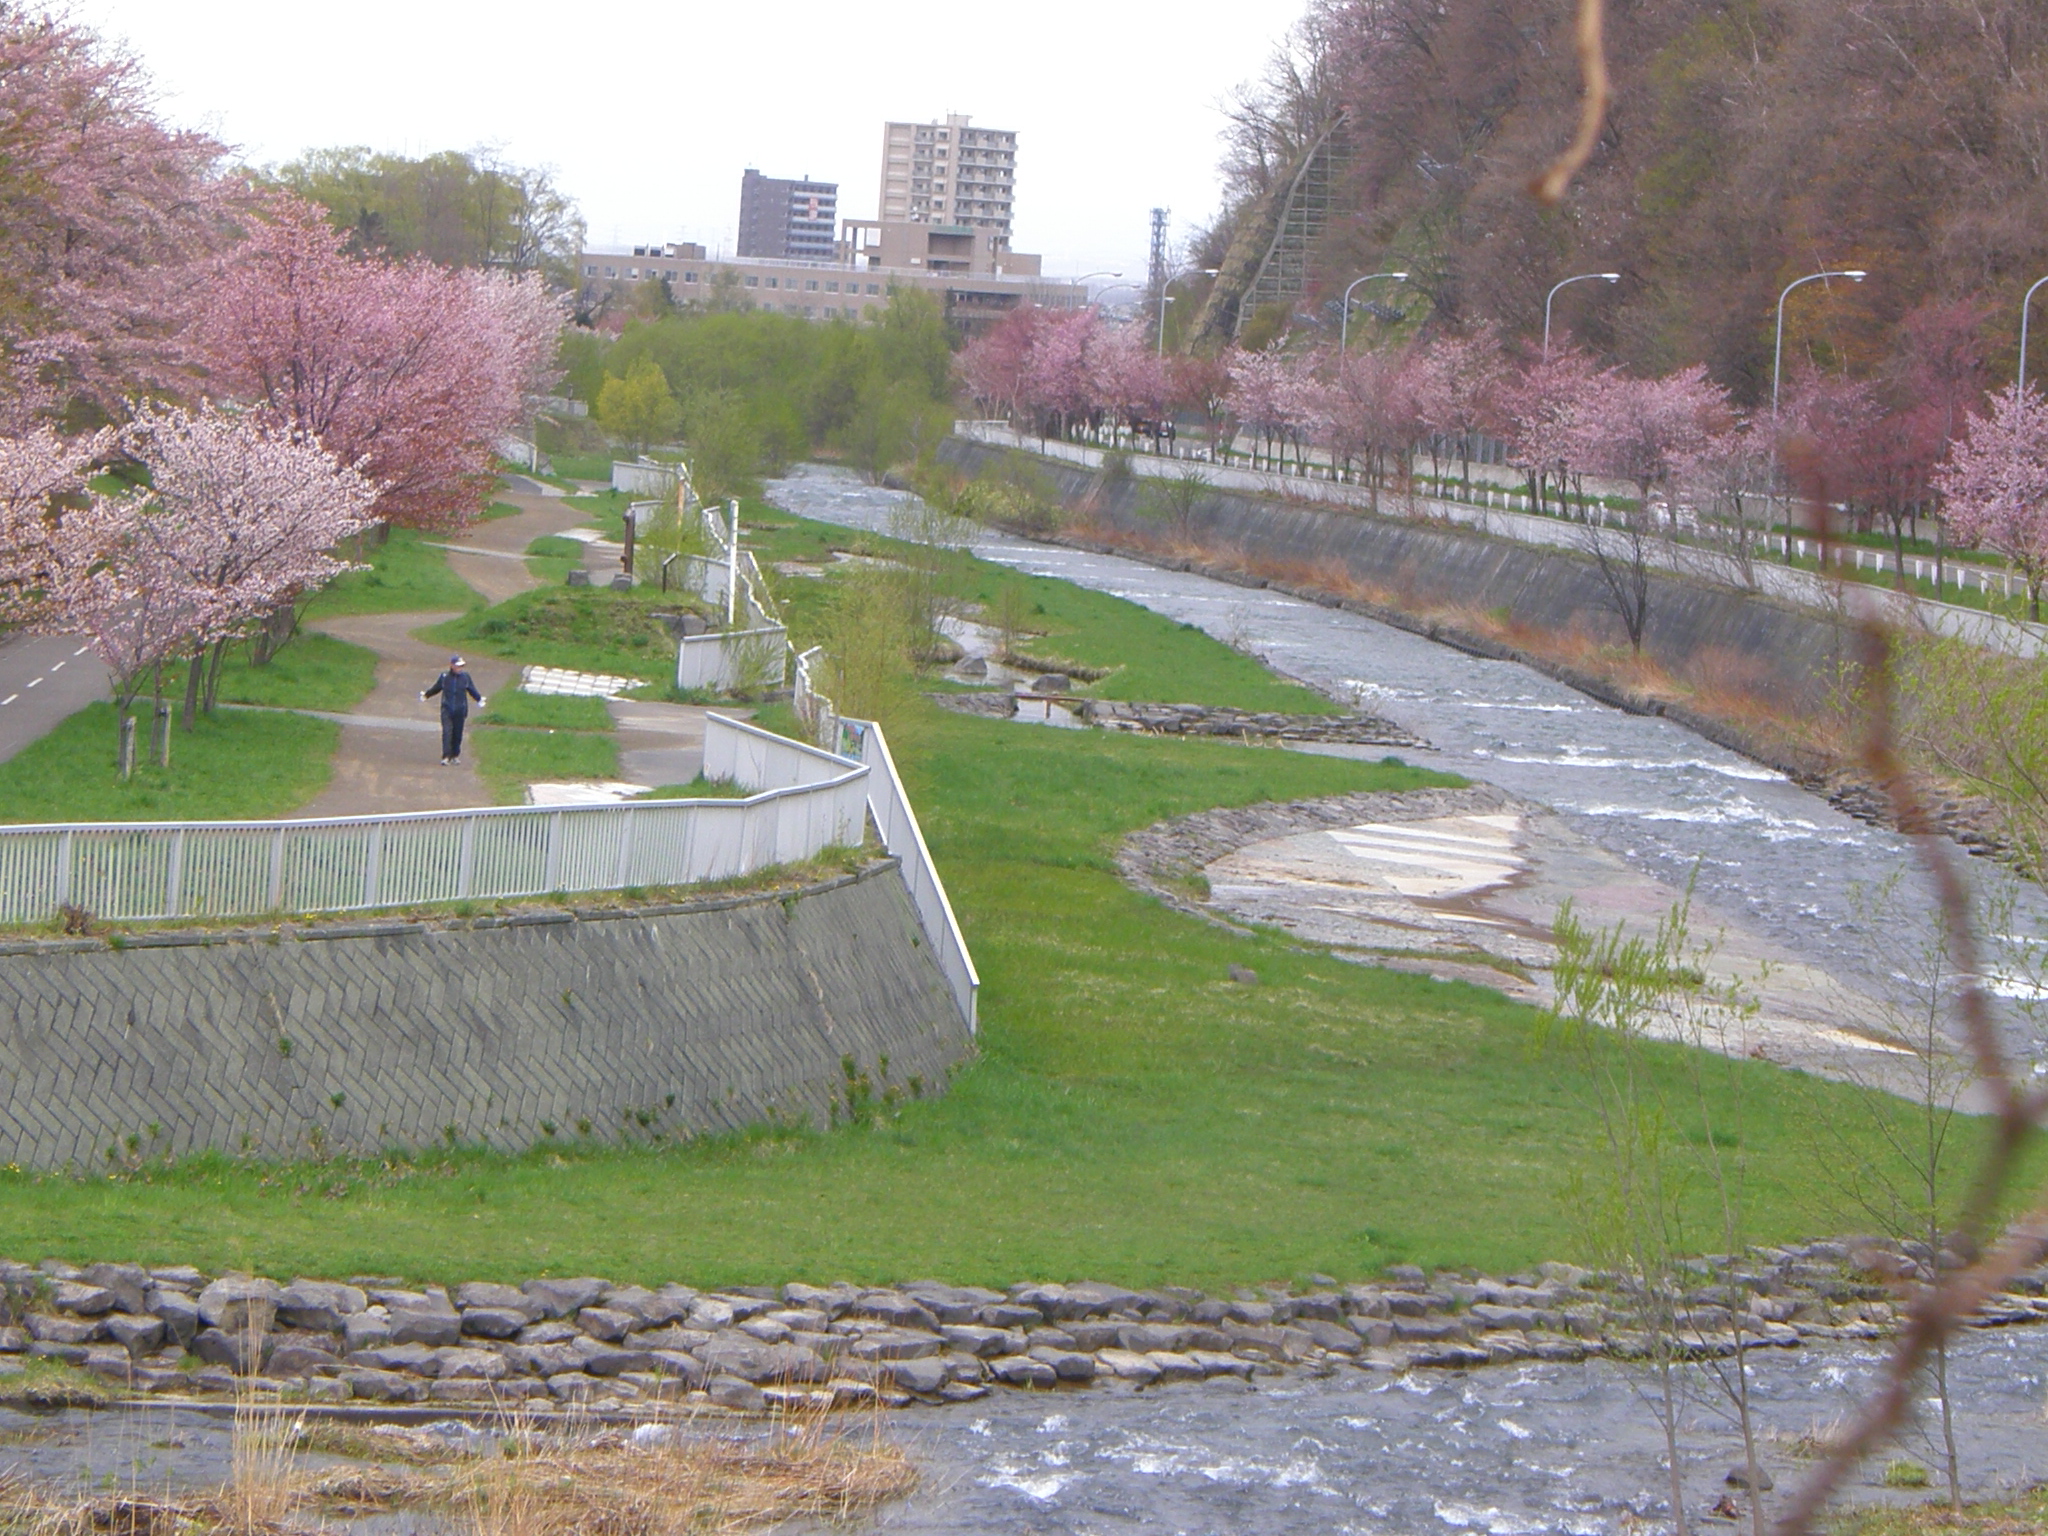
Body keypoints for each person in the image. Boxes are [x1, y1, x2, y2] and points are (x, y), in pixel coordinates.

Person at [421, 655, 484, 765]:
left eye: (461, 666)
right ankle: (446, 756)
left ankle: (455, 755)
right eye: (458, 666)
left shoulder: (465, 677)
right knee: (447, 731)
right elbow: (436, 688)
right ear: (452, 665)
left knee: (457, 733)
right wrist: (426, 695)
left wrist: (479, 699)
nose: (460, 668)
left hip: (460, 709)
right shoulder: (444, 677)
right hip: (447, 708)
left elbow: (471, 689)